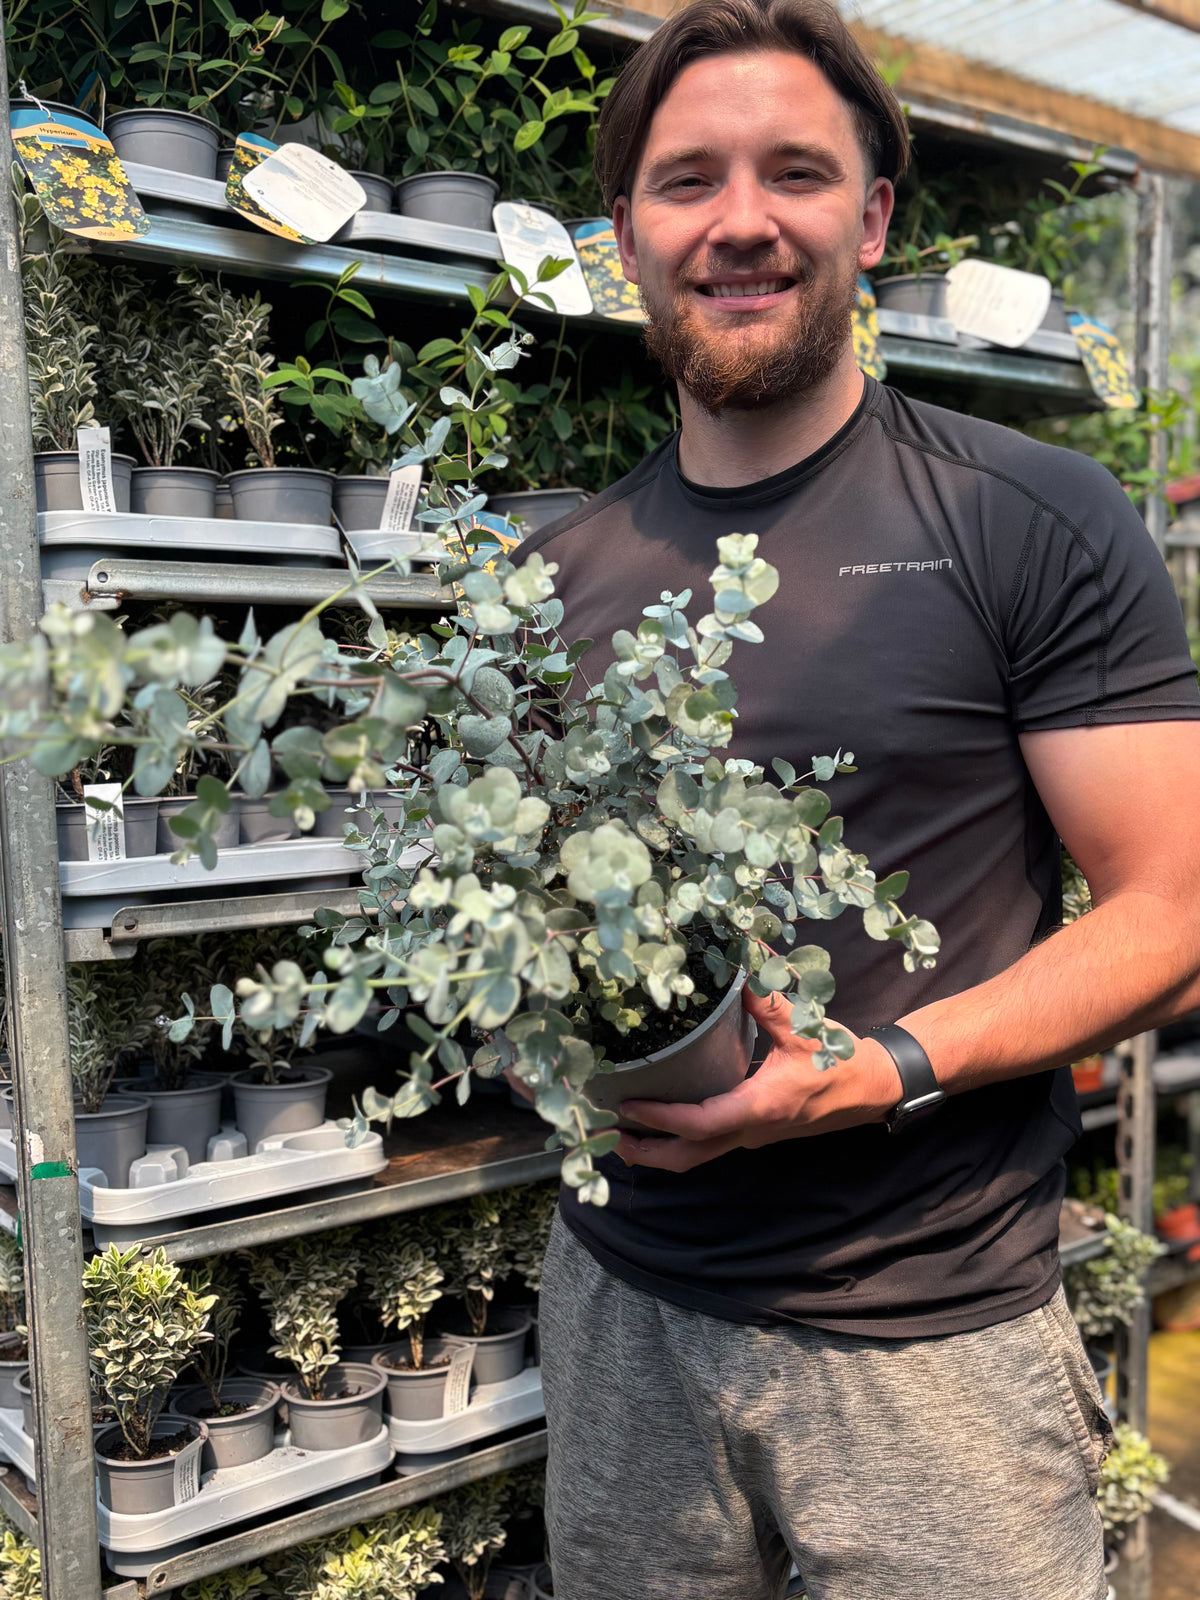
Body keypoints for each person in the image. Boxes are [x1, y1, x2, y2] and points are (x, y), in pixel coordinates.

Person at [515, 3, 1200, 1598]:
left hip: (930, 1349)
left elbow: (1174, 910)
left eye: (796, 174)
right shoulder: (555, 580)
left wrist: (877, 1070)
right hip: (622, 1312)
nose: (741, 221)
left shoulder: (1029, 516)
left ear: (874, 216)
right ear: (627, 235)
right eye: (687, 181)